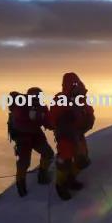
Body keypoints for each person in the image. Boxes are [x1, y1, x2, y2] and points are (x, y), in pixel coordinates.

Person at [48, 72, 95, 200]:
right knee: (65, 160)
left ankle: (70, 179)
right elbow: (52, 120)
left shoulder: (81, 99)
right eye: (74, 84)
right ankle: (60, 185)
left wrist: (89, 118)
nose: (76, 87)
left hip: (78, 134)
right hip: (65, 136)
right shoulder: (59, 100)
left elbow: (88, 111)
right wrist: (63, 119)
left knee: (82, 160)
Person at [7, 87, 54, 196]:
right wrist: (36, 115)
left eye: (39, 97)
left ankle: (42, 174)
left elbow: (48, 121)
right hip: (23, 136)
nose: (37, 99)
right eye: (36, 97)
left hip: (34, 133)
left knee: (48, 153)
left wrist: (53, 125)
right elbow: (18, 119)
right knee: (24, 162)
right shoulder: (21, 105)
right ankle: (21, 184)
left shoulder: (40, 107)